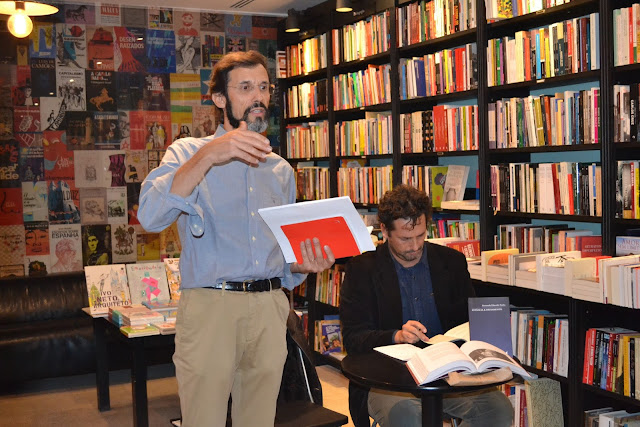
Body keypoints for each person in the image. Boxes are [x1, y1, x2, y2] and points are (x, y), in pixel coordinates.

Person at [138, 50, 335, 427]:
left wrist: (303, 264)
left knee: (259, 420)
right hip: (211, 306)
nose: (258, 96)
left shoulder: (281, 170)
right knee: (204, 420)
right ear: (219, 98)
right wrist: (209, 155)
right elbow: (150, 216)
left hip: (270, 307)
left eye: (263, 87)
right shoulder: (188, 153)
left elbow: (283, 259)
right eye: (245, 87)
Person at [339, 185, 513, 427]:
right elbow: (353, 339)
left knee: (498, 410)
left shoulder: (451, 262)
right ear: (385, 231)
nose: (415, 246)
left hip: (448, 374)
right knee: (409, 417)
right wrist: (396, 336)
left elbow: (466, 323)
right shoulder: (362, 270)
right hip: (389, 378)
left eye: (420, 235)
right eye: (405, 238)